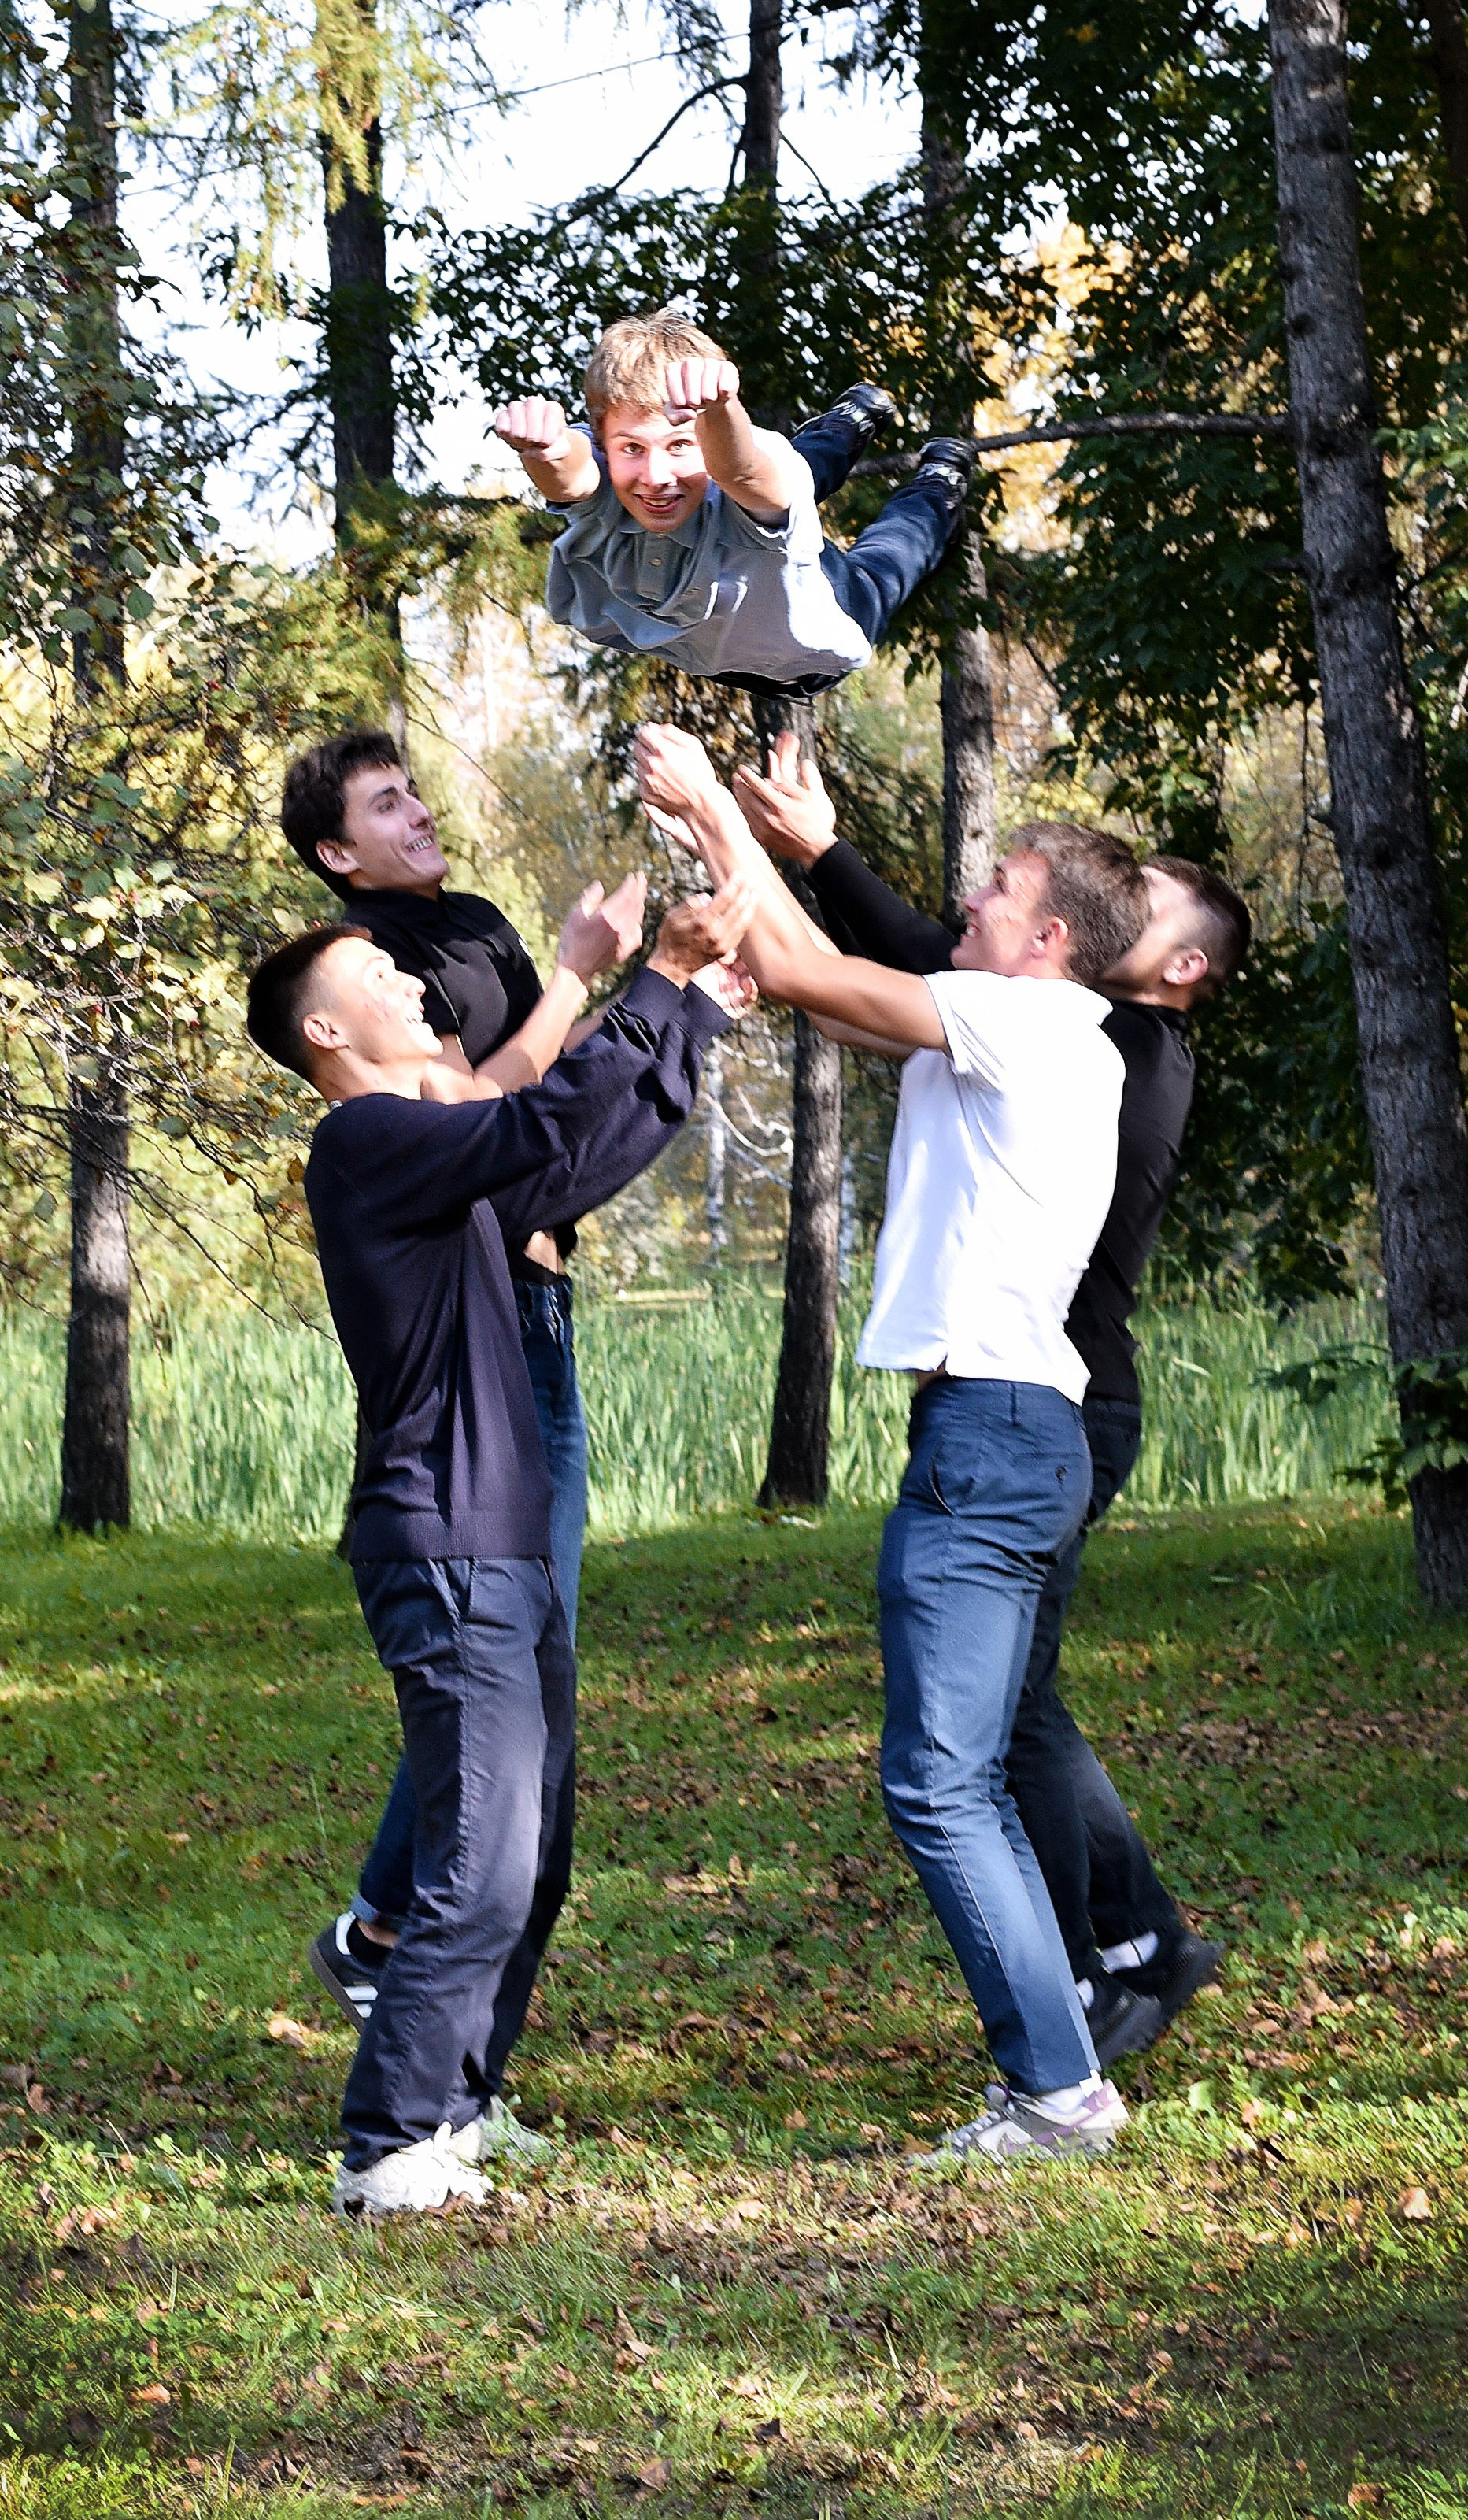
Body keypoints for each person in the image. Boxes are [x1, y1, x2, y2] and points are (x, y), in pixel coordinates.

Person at [635, 721, 1149, 2163]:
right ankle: (1063, 2076)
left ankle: (1058, 2092)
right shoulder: (1014, 1029)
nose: (967, 899)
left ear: (1049, 940)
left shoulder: (1036, 1025)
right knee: (961, 1774)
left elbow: (809, 974)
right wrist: (777, 851)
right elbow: (826, 986)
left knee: (938, 1780)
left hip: (994, 1434)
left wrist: (710, 818)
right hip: (1005, 1429)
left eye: (997, 888)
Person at [733, 735, 1252, 2059]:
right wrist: (803, 860)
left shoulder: (1098, 1032)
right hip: (1024, 1408)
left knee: (974, 1747)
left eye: (1141, 906)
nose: (1115, 910)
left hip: (1040, 1408)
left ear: (1162, 963)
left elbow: (897, 967)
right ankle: (1123, 1952)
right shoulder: (1065, 1020)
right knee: (1005, 1716)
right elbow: (881, 985)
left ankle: (1083, 1985)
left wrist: (767, 844)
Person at [243, 885, 752, 2217]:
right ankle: (387, 2144)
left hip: (504, 1545)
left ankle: (455, 2111)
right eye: (379, 980)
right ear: (324, 1031)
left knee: (531, 1852)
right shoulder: (363, 1139)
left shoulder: (432, 1151)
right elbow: (535, 1121)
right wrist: (655, 980)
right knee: (478, 1857)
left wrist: (688, 1015)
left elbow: (570, 1160)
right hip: (447, 1545)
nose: (414, 987)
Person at [278, 728, 646, 2030]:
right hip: (484, 1322)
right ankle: (392, 1931)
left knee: (536, 1654)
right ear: (338, 854)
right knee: (513, 1662)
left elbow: (549, 1085)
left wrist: (663, 1009)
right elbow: (476, 1110)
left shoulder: (475, 925)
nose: (419, 813)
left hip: (540, 1301)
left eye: (415, 791)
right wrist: (578, 975)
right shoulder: (375, 968)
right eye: (386, 805)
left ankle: (394, 1931)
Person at [491, 311, 972, 691]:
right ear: (606, 442)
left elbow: (739, 470)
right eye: (632, 448)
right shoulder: (607, 480)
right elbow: (571, 476)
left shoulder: (730, 463)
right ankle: (853, 420)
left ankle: (936, 485)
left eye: (680, 445)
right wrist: (544, 450)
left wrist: (719, 408)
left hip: (817, 624)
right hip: (726, 628)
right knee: (791, 473)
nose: (655, 479)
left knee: (878, 554)